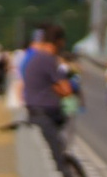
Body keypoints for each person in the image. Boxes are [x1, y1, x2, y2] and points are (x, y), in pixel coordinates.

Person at [20, 24, 77, 169]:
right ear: (59, 42)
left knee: (48, 157)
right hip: (45, 116)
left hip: (35, 111)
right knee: (57, 161)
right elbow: (66, 90)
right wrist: (58, 88)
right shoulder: (48, 59)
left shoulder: (36, 58)